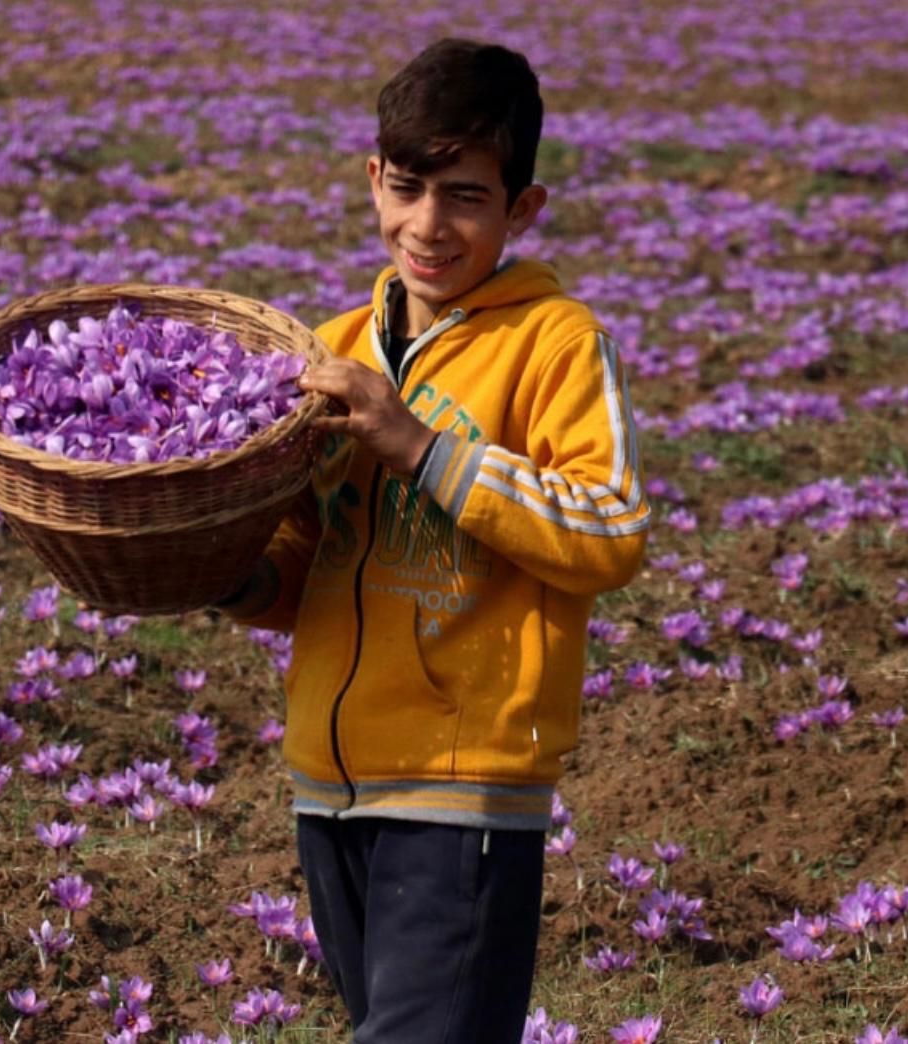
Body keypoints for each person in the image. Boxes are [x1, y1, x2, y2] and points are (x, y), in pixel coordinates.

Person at [219, 37, 650, 1043]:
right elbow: (306, 558)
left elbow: (610, 529)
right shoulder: (330, 350)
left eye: (466, 195)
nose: (429, 224)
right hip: (330, 785)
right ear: (374, 179)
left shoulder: (555, 344)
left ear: (521, 209)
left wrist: (420, 445)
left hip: (466, 788)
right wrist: (233, 577)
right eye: (408, 187)